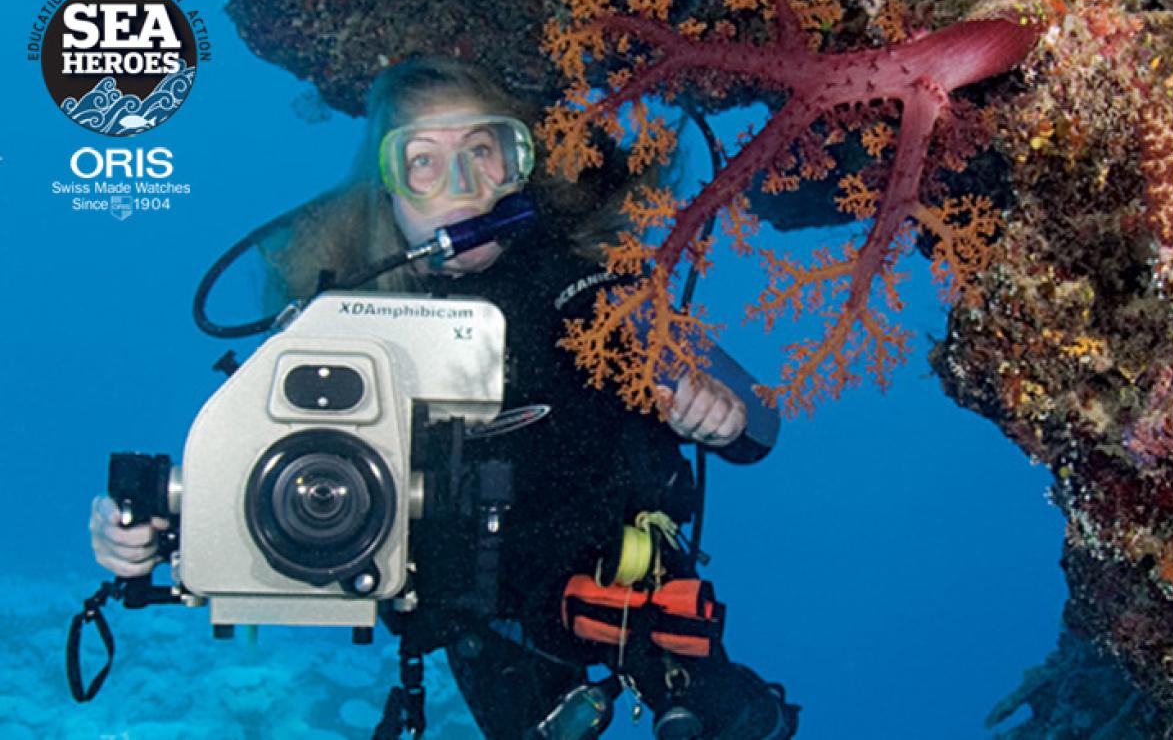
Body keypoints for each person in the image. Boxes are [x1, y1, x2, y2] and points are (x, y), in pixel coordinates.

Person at [90, 57, 800, 740]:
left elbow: (760, 424)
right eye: (423, 160)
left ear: (518, 166)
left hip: (628, 594)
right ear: (387, 191)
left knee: (740, 721)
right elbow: (257, 472)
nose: (460, 182)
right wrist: (153, 528)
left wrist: (716, 412)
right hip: (486, 627)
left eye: (483, 150)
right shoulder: (344, 329)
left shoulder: (592, 294)